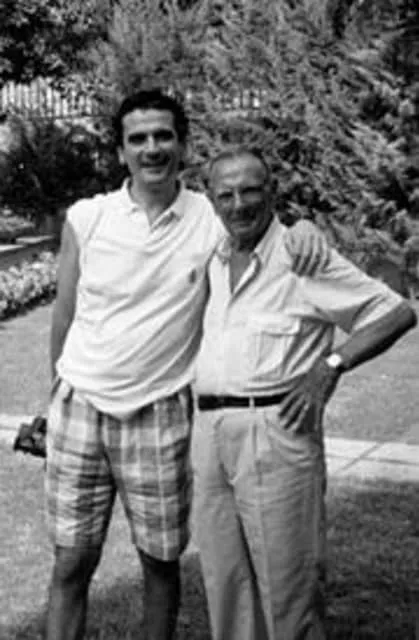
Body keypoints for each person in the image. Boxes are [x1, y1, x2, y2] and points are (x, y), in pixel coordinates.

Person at [45, 89, 330, 640]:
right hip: (80, 407)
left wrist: (307, 228)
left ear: (182, 144)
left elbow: (265, 224)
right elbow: (64, 315)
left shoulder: (209, 218)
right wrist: (51, 398)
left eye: (163, 136)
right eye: (138, 139)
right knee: (71, 562)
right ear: (120, 151)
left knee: (160, 563)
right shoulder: (88, 217)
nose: (152, 148)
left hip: (161, 412)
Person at [191, 146, 417, 640]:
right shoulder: (215, 255)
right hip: (209, 434)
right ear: (211, 199)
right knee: (226, 582)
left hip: (276, 433)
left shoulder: (301, 256)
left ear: (272, 192)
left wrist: (329, 367)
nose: (239, 204)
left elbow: (397, 312)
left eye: (250, 190)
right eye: (226, 194)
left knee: (288, 587)